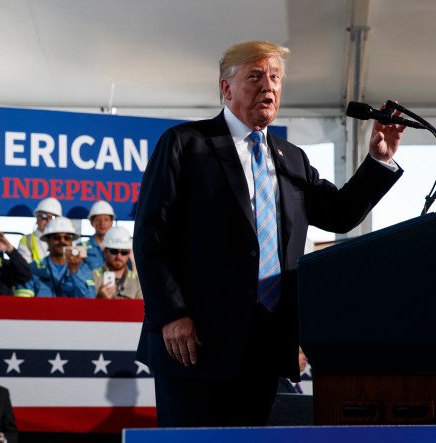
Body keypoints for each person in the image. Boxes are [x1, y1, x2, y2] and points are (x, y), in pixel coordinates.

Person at [133, 40, 405, 427]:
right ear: (226, 89)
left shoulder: (292, 158)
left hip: (264, 346)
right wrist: (172, 314)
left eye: (275, 77)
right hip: (194, 345)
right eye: (256, 76)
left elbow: (340, 214)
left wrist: (379, 160)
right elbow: (151, 237)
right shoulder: (184, 145)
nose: (269, 86)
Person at [14, 216, 96, 298]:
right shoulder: (34, 268)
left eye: (67, 238)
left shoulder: (83, 268)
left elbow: (89, 299)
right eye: (56, 237)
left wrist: (74, 271)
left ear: (71, 242)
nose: (62, 241)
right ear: (48, 240)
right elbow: (23, 301)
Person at [93, 226, 142, 300]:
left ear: (129, 253)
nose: (119, 256)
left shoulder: (137, 282)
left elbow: (140, 309)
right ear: (105, 252)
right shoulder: (92, 277)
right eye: (114, 251)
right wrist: (99, 298)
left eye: (124, 252)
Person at [17, 197, 61, 263]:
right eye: (44, 216)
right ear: (37, 218)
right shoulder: (27, 241)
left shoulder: (66, 241)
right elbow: (25, 269)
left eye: (53, 217)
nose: (48, 221)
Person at [81, 200, 115, 270]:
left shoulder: (120, 248)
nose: (102, 223)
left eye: (106, 219)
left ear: (111, 222)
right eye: (98, 220)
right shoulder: (82, 247)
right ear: (91, 222)